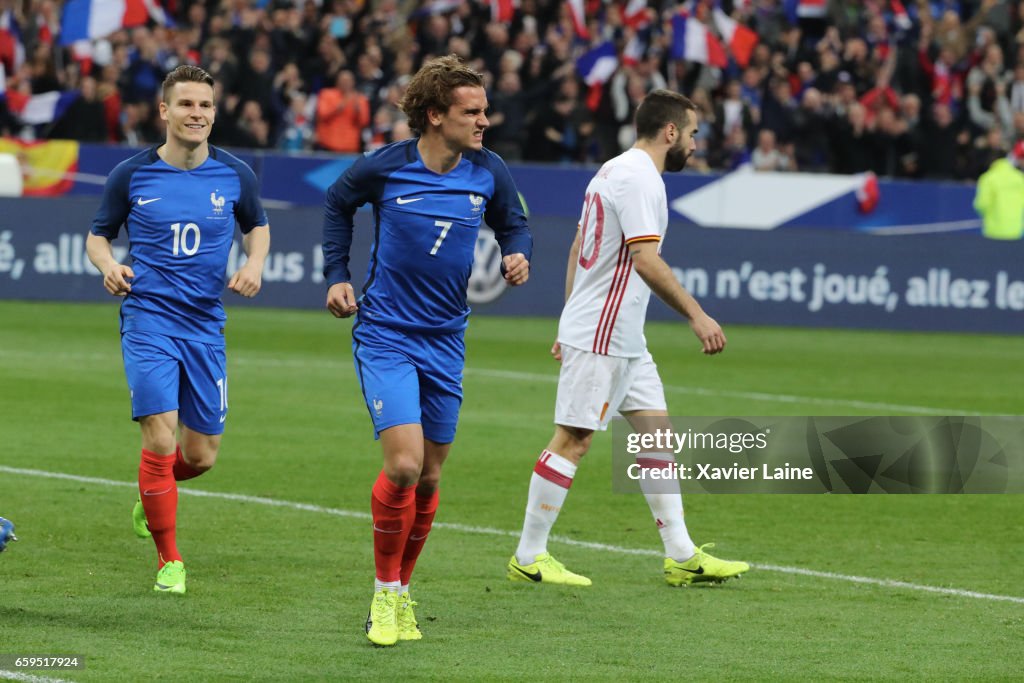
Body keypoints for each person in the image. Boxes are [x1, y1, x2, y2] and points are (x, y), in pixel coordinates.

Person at [322, 54, 532, 646]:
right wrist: (336, 273)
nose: (484, 121)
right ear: (436, 116)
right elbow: (338, 204)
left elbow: (514, 225)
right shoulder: (386, 167)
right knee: (405, 464)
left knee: (432, 478)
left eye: (485, 110)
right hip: (386, 333)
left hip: (446, 339)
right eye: (473, 112)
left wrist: (519, 253)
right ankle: (384, 595)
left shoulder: (488, 170)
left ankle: (404, 592)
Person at [507, 90, 750, 588]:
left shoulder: (612, 169)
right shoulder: (641, 179)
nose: (695, 145)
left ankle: (680, 554)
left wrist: (568, 315)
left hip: (619, 335)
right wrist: (697, 315)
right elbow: (644, 258)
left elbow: (580, 246)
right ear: (670, 132)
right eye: (693, 134)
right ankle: (529, 555)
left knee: (655, 436)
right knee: (573, 441)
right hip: (604, 332)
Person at [86, 65, 271, 595]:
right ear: (164, 111)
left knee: (199, 456)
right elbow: (98, 236)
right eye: (187, 104)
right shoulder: (131, 174)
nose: (198, 114)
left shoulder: (236, 174)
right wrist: (108, 266)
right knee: (159, 435)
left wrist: (254, 264)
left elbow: (257, 226)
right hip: (148, 319)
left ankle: (152, 492)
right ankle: (170, 561)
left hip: (205, 325)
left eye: (206, 106)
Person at [973, 141, 1024, 240]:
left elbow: (982, 204)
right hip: (1016, 232)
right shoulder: (1020, 178)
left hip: (993, 232)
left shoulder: (987, 178)